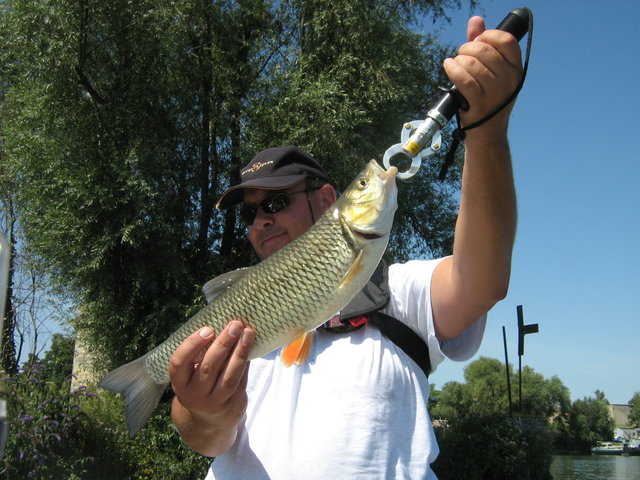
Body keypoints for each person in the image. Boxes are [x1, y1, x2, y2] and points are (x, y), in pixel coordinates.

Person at [169, 16, 520, 479]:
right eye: (250, 214)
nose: (261, 220)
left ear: (328, 199)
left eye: (276, 202)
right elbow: (206, 439)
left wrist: (486, 133)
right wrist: (202, 412)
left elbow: (481, 282)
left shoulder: (398, 292)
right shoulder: (239, 318)